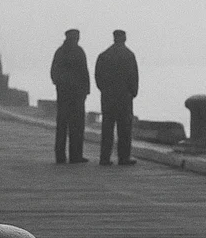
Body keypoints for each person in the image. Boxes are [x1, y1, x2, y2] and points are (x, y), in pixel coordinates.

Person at [94, 29, 139, 166]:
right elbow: (133, 76)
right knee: (124, 129)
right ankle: (123, 157)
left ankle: (104, 157)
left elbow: (98, 76)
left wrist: (104, 90)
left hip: (108, 97)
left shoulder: (104, 55)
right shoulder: (129, 55)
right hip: (124, 97)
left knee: (107, 128)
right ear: (124, 38)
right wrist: (133, 92)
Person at [49, 28, 90, 164]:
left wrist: (60, 85)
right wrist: (85, 90)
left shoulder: (60, 52)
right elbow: (84, 73)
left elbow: (54, 73)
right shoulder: (79, 52)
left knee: (62, 125)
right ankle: (75, 155)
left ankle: (60, 155)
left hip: (64, 94)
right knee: (76, 126)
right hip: (76, 94)